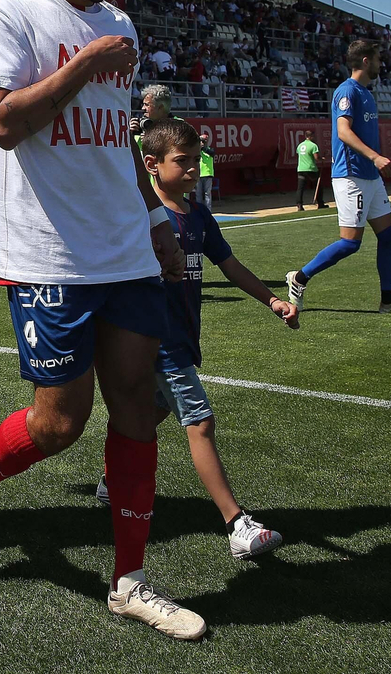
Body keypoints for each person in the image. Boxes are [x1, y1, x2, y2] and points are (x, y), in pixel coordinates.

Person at [0, 0, 203, 639]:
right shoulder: (9, 10)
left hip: (123, 243)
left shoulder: (119, 19)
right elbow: (3, 124)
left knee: (135, 409)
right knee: (59, 423)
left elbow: (111, 135)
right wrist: (87, 62)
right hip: (50, 253)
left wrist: (154, 215)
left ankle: (130, 579)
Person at [97, 121, 295, 558]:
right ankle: (235, 523)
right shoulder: (139, 216)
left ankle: (112, 479)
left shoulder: (198, 215)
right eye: (181, 161)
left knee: (153, 412)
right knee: (200, 421)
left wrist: (272, 300)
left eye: (195, 160)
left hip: (184, 334)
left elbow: (230, 264)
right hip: (155, 338)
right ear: (151, 165)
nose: (192, 169)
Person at [286, 40, 391, 316]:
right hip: (352, 176)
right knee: (350, 243)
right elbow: (343, 132)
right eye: (377, 59)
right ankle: (299, 279)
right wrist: (375, 156)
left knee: (388, 234)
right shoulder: (347, 91)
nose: (380, 64)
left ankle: (388, 300)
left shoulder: (367, 93)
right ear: (364, 61)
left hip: (370, 177)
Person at [295, 130, 325, 211]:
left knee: (300, 188)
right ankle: (320, 203)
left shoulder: (300, 145)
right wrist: (322, 158)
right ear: (311, 136)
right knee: (318, 186)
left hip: (301, 169)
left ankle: (299, 205)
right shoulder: (313, 145)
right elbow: (316, 158)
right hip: (311, 169)